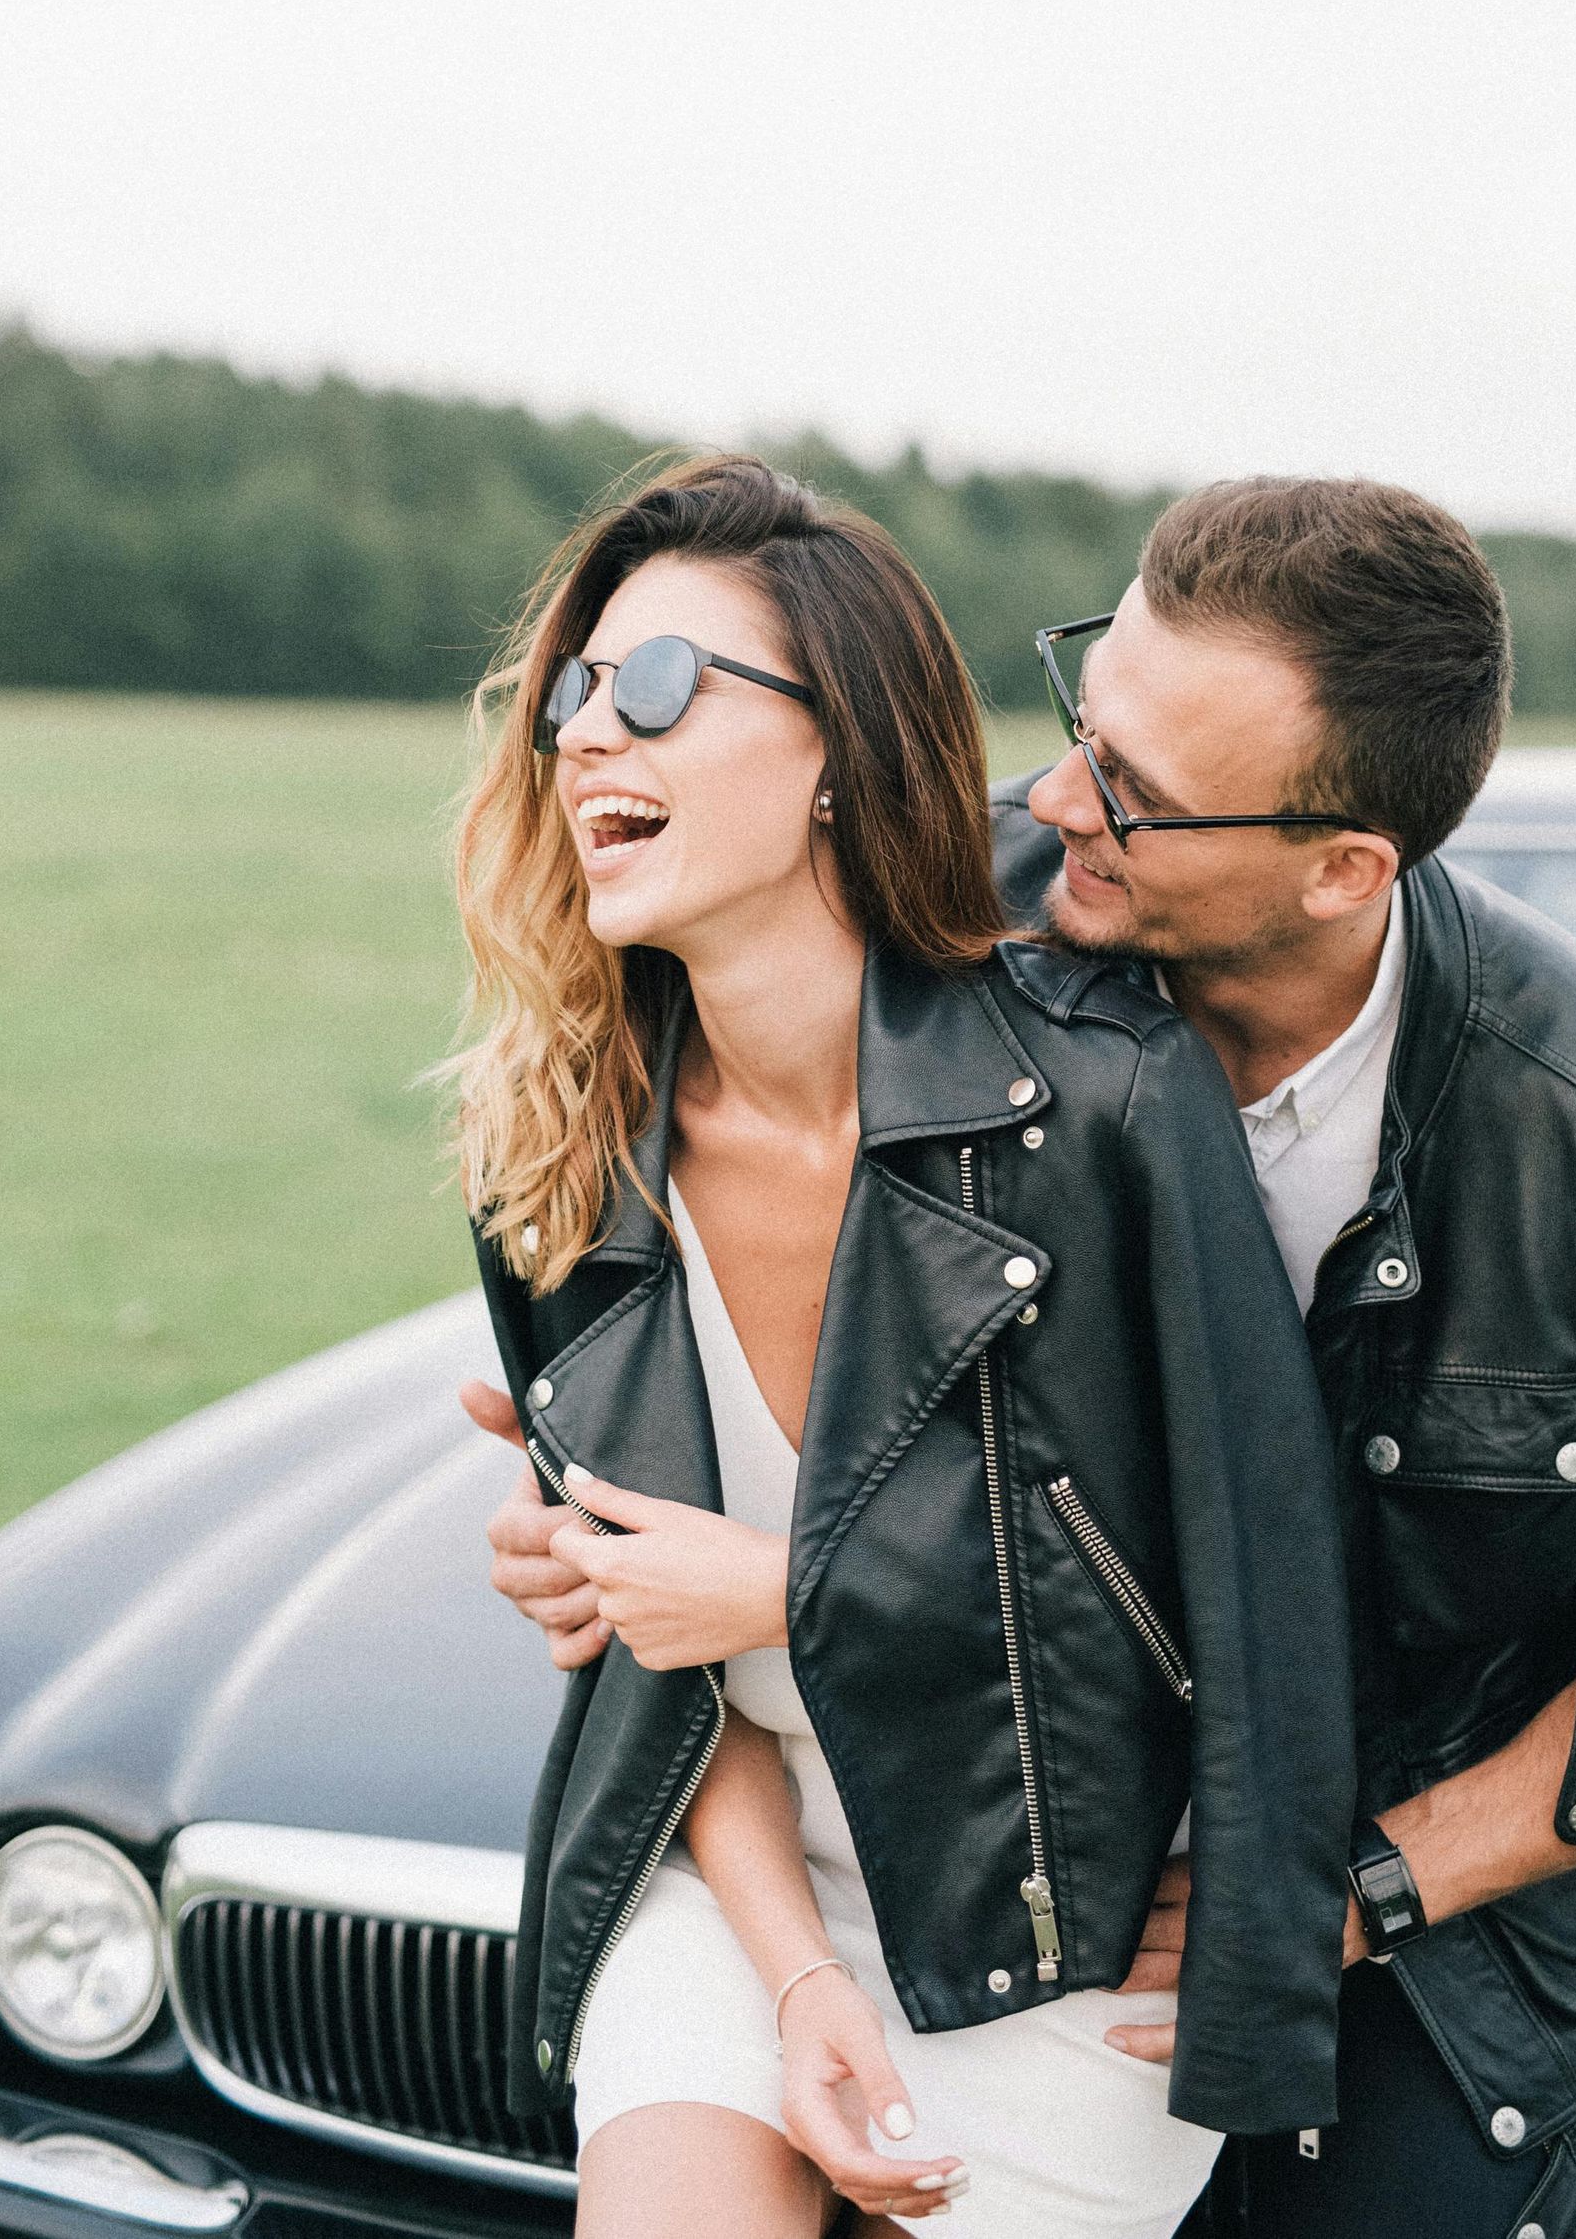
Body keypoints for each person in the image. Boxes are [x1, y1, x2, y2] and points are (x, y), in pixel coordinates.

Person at [484, 469, 1576, 2239]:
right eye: (1082, 725)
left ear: (1344, 866)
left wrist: (1353, 1886)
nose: (1054, 803)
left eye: (1140, 796)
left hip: (1442, 1902)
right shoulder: (974, 922)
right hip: (995, 1815)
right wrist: (594, 1509)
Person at [452, 453, 1357, 2239]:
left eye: (654, 689)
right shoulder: (559, 1141)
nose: (584, 738)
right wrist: (797, 1984)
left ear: (836, 755)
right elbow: (655, 1645)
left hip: (1068, 1925)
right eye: (573, 690)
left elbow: (1240, 1595)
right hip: (747, 1875)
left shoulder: (1104, 1094)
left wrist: (792, 1586)